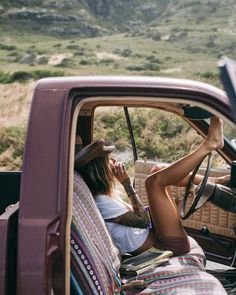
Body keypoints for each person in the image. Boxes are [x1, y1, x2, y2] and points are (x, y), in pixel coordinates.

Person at [74, 117, 226, 256]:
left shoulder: (106, 195)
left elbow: (140, 218)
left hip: (156, 234)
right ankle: (209, 145)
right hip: (164, 245)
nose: (114, 161)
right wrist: (127, 183)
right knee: (153, 182)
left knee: (157, 170)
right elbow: (143, 221)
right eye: (109, 160)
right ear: (100, 171)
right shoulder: (101, 202)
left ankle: (215, 182)